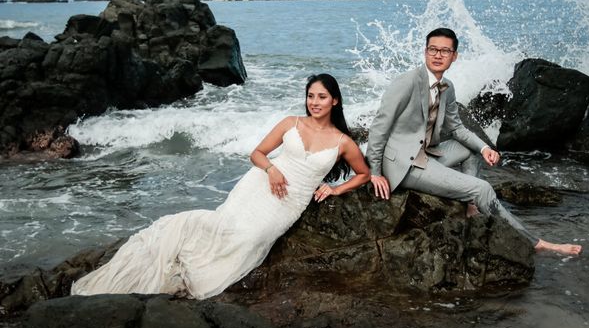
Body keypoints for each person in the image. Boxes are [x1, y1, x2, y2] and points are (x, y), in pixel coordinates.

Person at [71, 73, 370, 299]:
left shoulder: (343, 142)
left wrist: (335, 189)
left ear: (335, 101)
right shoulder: (291, 123)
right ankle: (169, 253)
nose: (314, 103)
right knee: (222, 225)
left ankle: (195, 273)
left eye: (321, 97)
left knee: (250, 239)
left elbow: (363, 174)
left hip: (289, 203)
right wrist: (272, 169)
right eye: (310, 96)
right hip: (259, 184)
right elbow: (257, 153)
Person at [366, 28, 582, 256]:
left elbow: (457, 128)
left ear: (454, 56)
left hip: (427, 153)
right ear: (425, 52)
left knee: (471, 150)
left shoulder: (446, 87)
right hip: (404, 164)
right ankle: (536, 243)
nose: (438, 55)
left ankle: (471, 207)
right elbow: (379, 126)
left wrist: (485, 147)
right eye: (433, 49)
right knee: (482, 188)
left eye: (445, 51)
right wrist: (375, 172)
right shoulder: (406, 82)